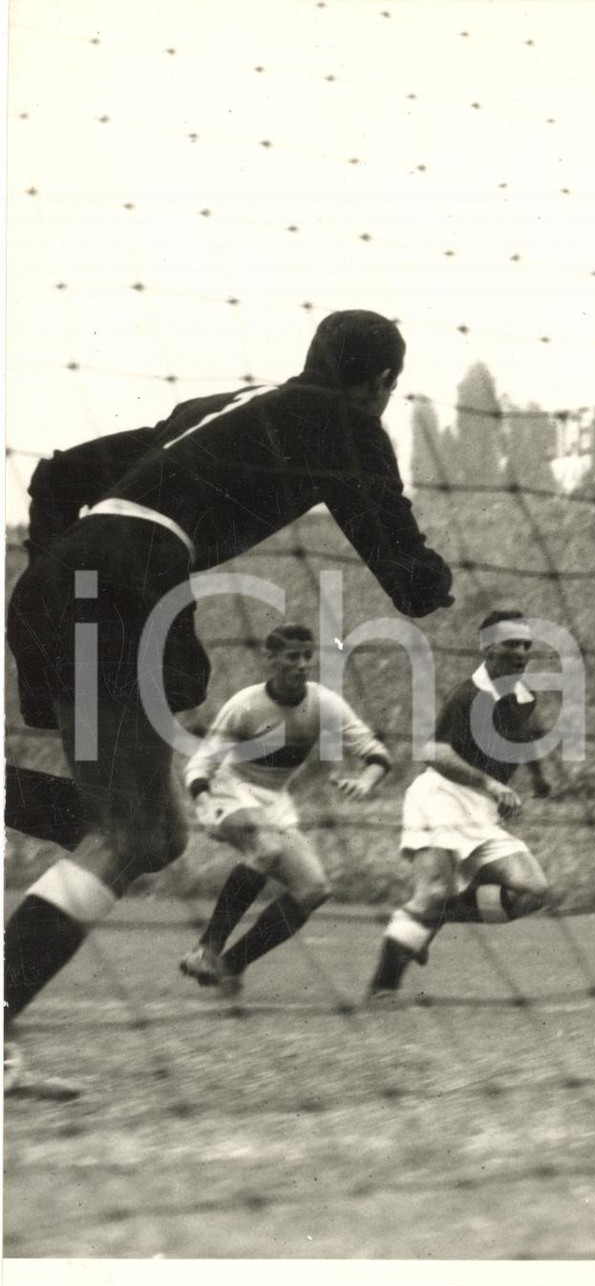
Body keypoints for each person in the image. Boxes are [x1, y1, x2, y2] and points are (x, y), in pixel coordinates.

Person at [4, 309, 453, 1089]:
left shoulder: (212, 410)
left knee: (146, 832)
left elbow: (58, 474)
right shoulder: (344, 423)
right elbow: (411, 582)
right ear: (381, 383)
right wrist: (440, 582)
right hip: (131, 584)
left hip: (56, 582)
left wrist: (66, 571)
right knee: (132, 830)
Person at [178, 624, 390, 996]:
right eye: (293, 656)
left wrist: (367, 781)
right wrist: (204, 802)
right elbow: (200, 765)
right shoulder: (245, 704)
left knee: (314, 890)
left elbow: (376, 754)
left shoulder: (325, 704)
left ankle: (230, 966)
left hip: (276, 802)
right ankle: (205, 950)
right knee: (267, 848)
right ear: (270, 659)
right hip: (230, 792)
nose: (302, 664)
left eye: (308, 656)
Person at [366, 610, 559, 999]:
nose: (521, 652)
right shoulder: (469, 695)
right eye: (511, 644)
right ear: (488, 648)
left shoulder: (524, 693)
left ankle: (424, 921)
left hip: (481, 811)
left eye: (526, 645)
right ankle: (383, 986)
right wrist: (489, 782)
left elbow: (529, 730)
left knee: (532, 891)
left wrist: (537, 776)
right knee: (433, 891)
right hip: (439, 799)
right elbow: (434, 753)